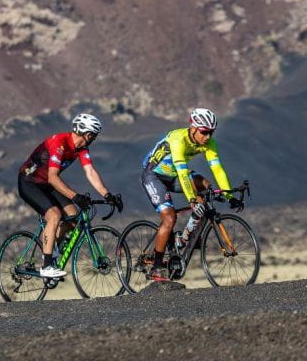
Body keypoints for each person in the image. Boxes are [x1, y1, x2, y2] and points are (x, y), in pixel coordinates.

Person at [18, 113, 123, 278]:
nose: (94, 138)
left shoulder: (81, 149)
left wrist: (107, 194)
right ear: (86, 133)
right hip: (29, 183)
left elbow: (90, 171)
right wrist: (75, 196)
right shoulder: (59, 143)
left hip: (47, 184)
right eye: (93, 135)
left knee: (74, 219)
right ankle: (46, 266)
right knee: (54, 215)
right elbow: (53, 177)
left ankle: (52, 253)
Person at [141, 108, 241, 281]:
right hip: (154, 175)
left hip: (174, 175)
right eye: (204, 132)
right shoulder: (178, 139)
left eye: (211, 132)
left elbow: (217, 169)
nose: (208, 137)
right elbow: (182, 172)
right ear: (193, 128)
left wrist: (229, 196)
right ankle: (156, 267)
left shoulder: (209, 143)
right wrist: (191, 199)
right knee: (169, 218)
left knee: (205, 185)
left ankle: (191, 234)